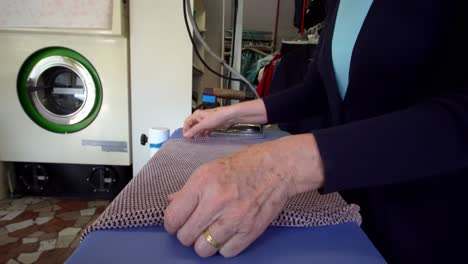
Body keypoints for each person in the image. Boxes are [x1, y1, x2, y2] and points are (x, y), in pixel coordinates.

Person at [164, 0, 468, 262]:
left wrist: (282, 165)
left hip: (431, 221)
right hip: (352, 216)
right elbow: (320, 90)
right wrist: (232, 114)